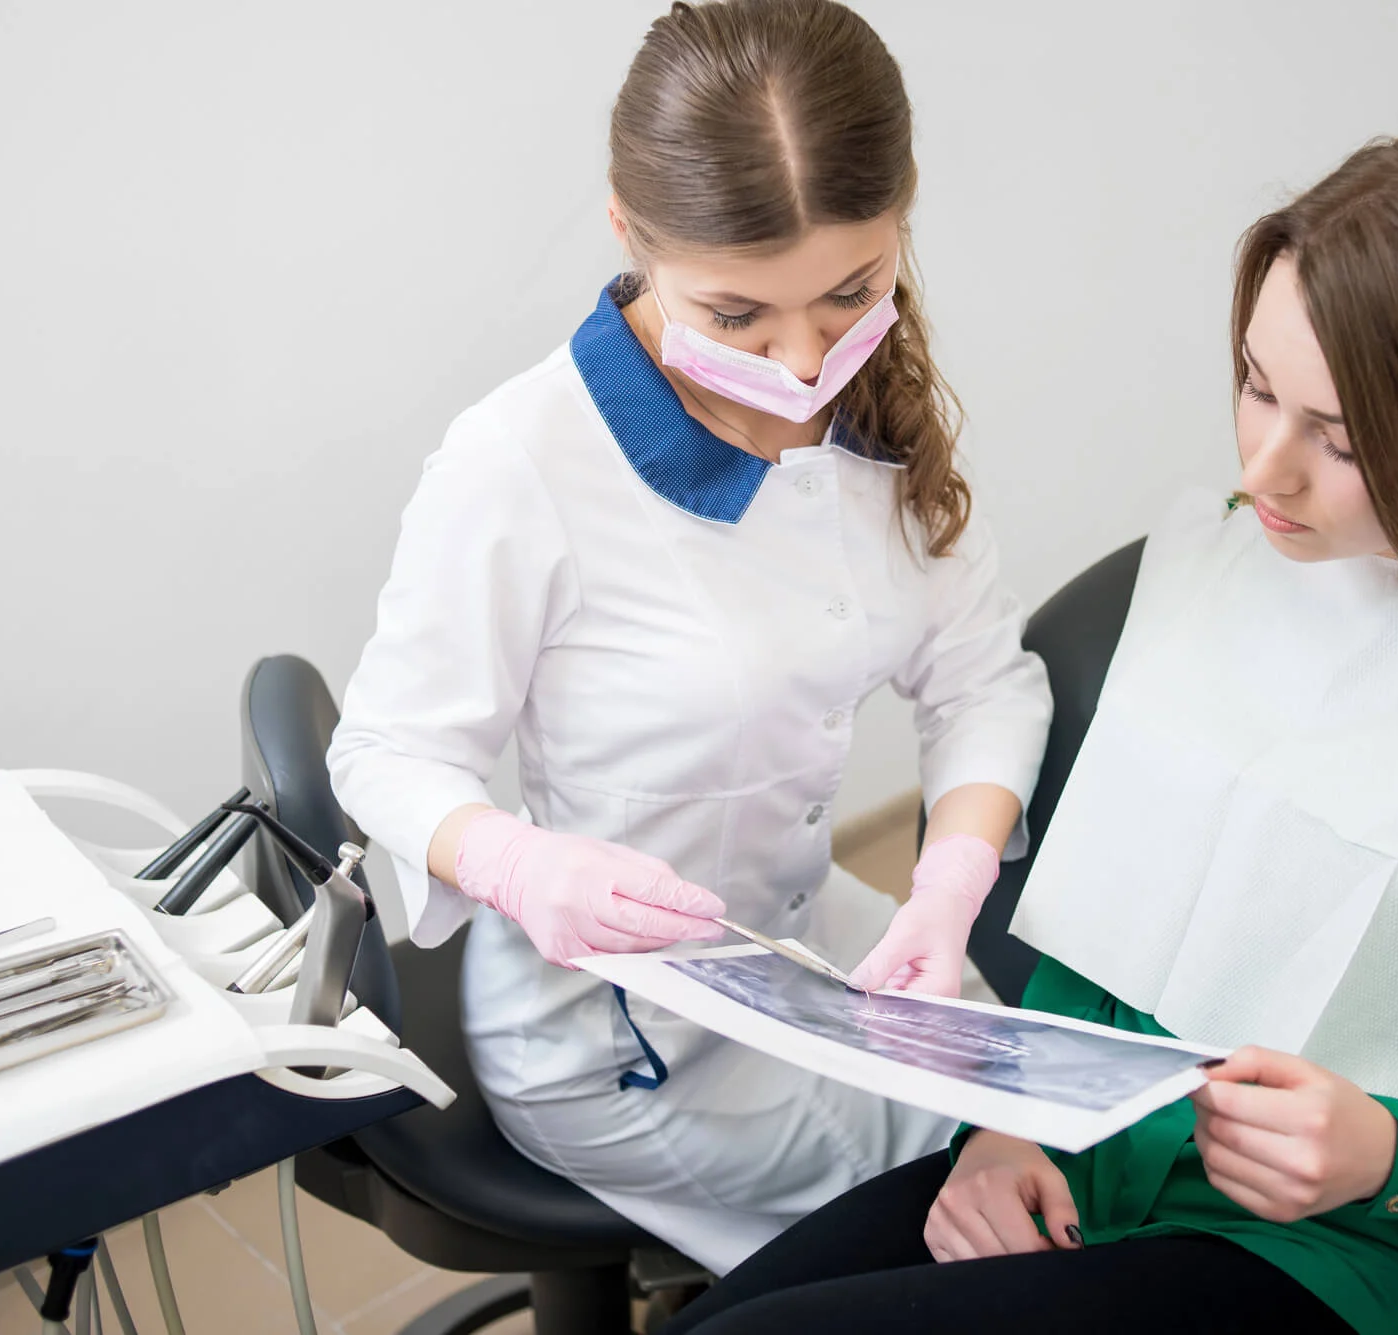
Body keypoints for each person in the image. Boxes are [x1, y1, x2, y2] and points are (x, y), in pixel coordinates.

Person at [665, 128, 1398, 1333]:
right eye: (1256, 388)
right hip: (1092, 1169)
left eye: (1339, 438)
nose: (1263, 471)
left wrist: (1388, 1153)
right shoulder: (1246, 567)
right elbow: (1100, 947)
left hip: (1350, 1262)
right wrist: (1004, 1130)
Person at [326, 0, 1051, 1272]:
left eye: (848, 294)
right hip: (619, 1035)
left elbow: (982, 682)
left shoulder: (879, 409)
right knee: (974, 1230)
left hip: (811, 942)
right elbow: (383, 754)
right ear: (629, 232)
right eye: (736, 317)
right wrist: (513, 863)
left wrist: (950, 883)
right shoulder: (520, 461)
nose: (804, 362)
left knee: (1048, 1143)